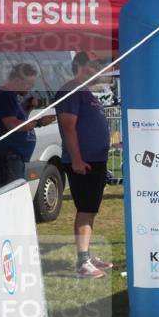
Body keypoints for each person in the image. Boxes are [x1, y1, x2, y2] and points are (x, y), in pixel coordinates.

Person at [55, 52, 112, 279]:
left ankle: (86, 254)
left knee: (91, 209)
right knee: (86, 209)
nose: (98, 69)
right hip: (83, 161)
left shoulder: (86, 91)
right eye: (93, 65)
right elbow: (68, 127)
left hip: (95, 160)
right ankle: (82, 261)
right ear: (79, 65)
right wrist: (77, 159)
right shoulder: (71, 90)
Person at [0, 63, 57, 190]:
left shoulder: (11, 96)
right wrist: (39, 122)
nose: (31, 87)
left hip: (8, 156)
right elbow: (12, 125)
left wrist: (27, 109)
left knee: (10, 192)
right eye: (29, 83)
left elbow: (16, 120)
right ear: (17, 80)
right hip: (5, 156)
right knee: (11, 194)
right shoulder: (5, 95)